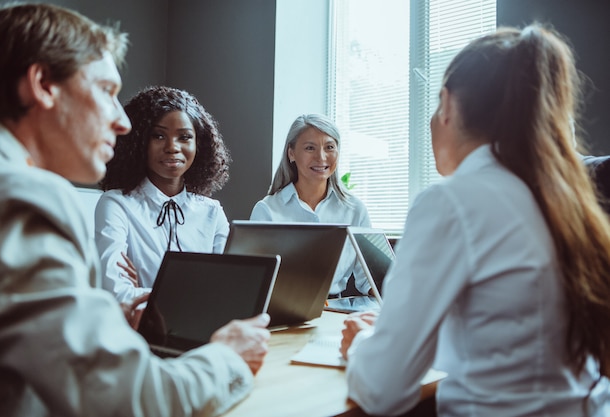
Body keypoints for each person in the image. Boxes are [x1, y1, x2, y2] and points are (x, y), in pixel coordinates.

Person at [0, 4, 269, 416]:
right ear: (43, 84)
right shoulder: (18, 196)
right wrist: (228, 357)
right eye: (106, 91)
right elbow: (130, 399)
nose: (122, 122)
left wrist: (101, 316)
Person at [340, 24, 610, 417]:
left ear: (447, 106)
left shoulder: (452, 201)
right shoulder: (569, 201)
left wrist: (365, 340)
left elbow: (382, 390)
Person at [95, 85, 231, 303]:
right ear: (139, 142)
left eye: (185, 137)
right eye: (158, 136)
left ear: (199, 145)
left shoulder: (212, 213)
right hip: (140, 334)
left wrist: (147, 291)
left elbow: (226, 291)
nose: (172, 147)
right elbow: (117, 293)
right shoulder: (116, 204)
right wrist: (194, 297)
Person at [250, 114, 372, 297]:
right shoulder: (267, 210)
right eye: (310, 148)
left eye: (329, 147)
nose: (321, 157)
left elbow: (368, 279)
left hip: (335, 311)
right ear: (291, 153)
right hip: (281, 311)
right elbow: (256, 280)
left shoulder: (355, 210)